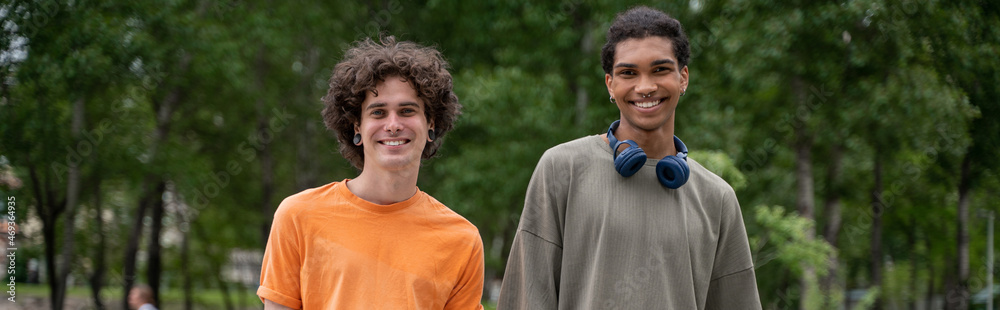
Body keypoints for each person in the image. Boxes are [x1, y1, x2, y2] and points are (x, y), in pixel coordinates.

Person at [498, 6, 761, 310]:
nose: (645, 86)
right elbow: (527, 297)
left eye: (660, 70)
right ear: (610, 84)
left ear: (683, 78)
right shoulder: (561, 169)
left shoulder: (717, 198)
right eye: (628, 73)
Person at [257, 36, 484, 310]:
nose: (393, 125)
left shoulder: (461, 239)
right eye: (378, 112)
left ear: (431, 123)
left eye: (407, 110)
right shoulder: (298, 216)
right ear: (356, 127)